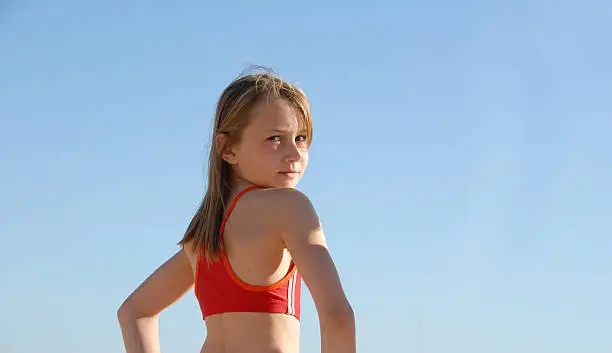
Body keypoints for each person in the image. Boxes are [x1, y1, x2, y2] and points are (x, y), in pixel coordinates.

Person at [117, 68, 356, 353]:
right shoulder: (290, 207)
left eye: (301, 138)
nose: (294, 154)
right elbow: (337, 317)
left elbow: (134, 312)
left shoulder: (202, 238)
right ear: (228, 148)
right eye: (275, 139)